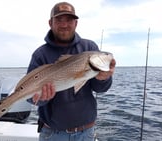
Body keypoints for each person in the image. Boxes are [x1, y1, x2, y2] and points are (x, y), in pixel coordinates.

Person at [27, 2, 116, 141]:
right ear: (50, 23)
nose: (64, 25)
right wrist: (42, 99)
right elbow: (30, 98)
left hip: (86, 132)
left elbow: (100, 89)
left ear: (76, 23)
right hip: (52, 134)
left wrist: (103, 78)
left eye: (69, 20)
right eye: (59, 20)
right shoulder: (40, 54)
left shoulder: (89, 47)